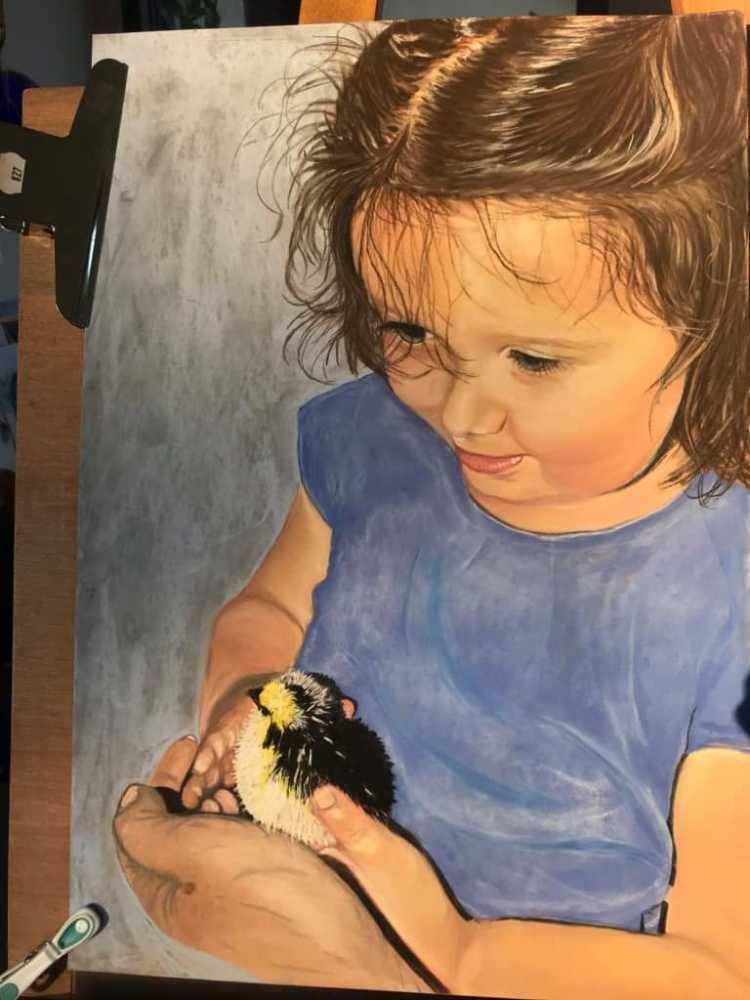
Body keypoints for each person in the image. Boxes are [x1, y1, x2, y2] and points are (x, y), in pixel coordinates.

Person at [114, 14, 750, 997]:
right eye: (410, 334)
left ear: (712, 326)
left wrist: (441, 954)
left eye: (533, 358)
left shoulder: (726, 587)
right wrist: (244, 699)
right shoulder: (376, 442)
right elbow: (270, 606)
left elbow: (719, 970)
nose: (459, 414)